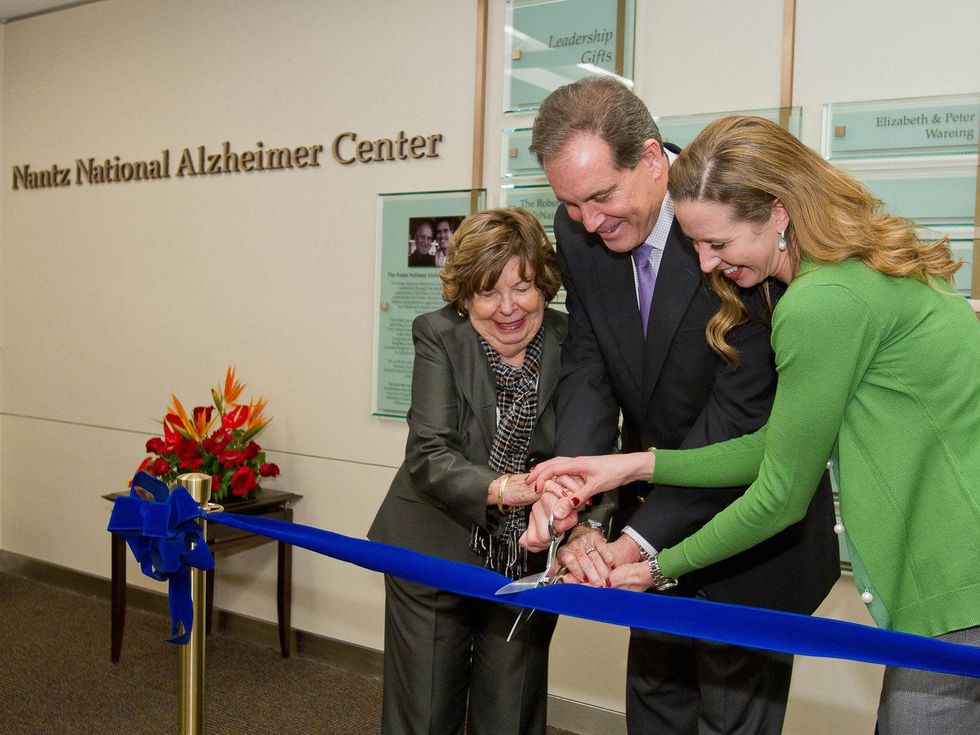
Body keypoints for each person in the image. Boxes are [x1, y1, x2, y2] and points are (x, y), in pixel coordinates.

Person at [523, 115, 980, 735]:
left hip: (959, 580)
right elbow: (777, 445)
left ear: (777, 214)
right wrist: (635, 464)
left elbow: (779, 496)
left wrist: (656, 566)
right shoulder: (863, 268)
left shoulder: (819, 304)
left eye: (718, 244)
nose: (708, 264)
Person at [526, 77, 839, 735]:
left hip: (748, 534)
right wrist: (573, 490)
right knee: (655, 710)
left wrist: (639, 538)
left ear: (649, 159)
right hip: (650, 514)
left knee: (731, 720)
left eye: (601, 196)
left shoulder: (732, 222)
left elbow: (741, 415)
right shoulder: (579, 224)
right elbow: (589, 361)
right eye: (570, 203)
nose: (586, 221)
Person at [369, 207, 567, 735]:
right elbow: (430, 453)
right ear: (463, 296)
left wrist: (580, 516)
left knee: (511, 710)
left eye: (522, 288)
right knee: (426, 712)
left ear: (545, 286)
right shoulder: (437, 334)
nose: (508, 309)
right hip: (432, 543)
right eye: (487, 292)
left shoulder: (573, 343)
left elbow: (592, 451)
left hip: (526, 552)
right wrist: (506, 488)